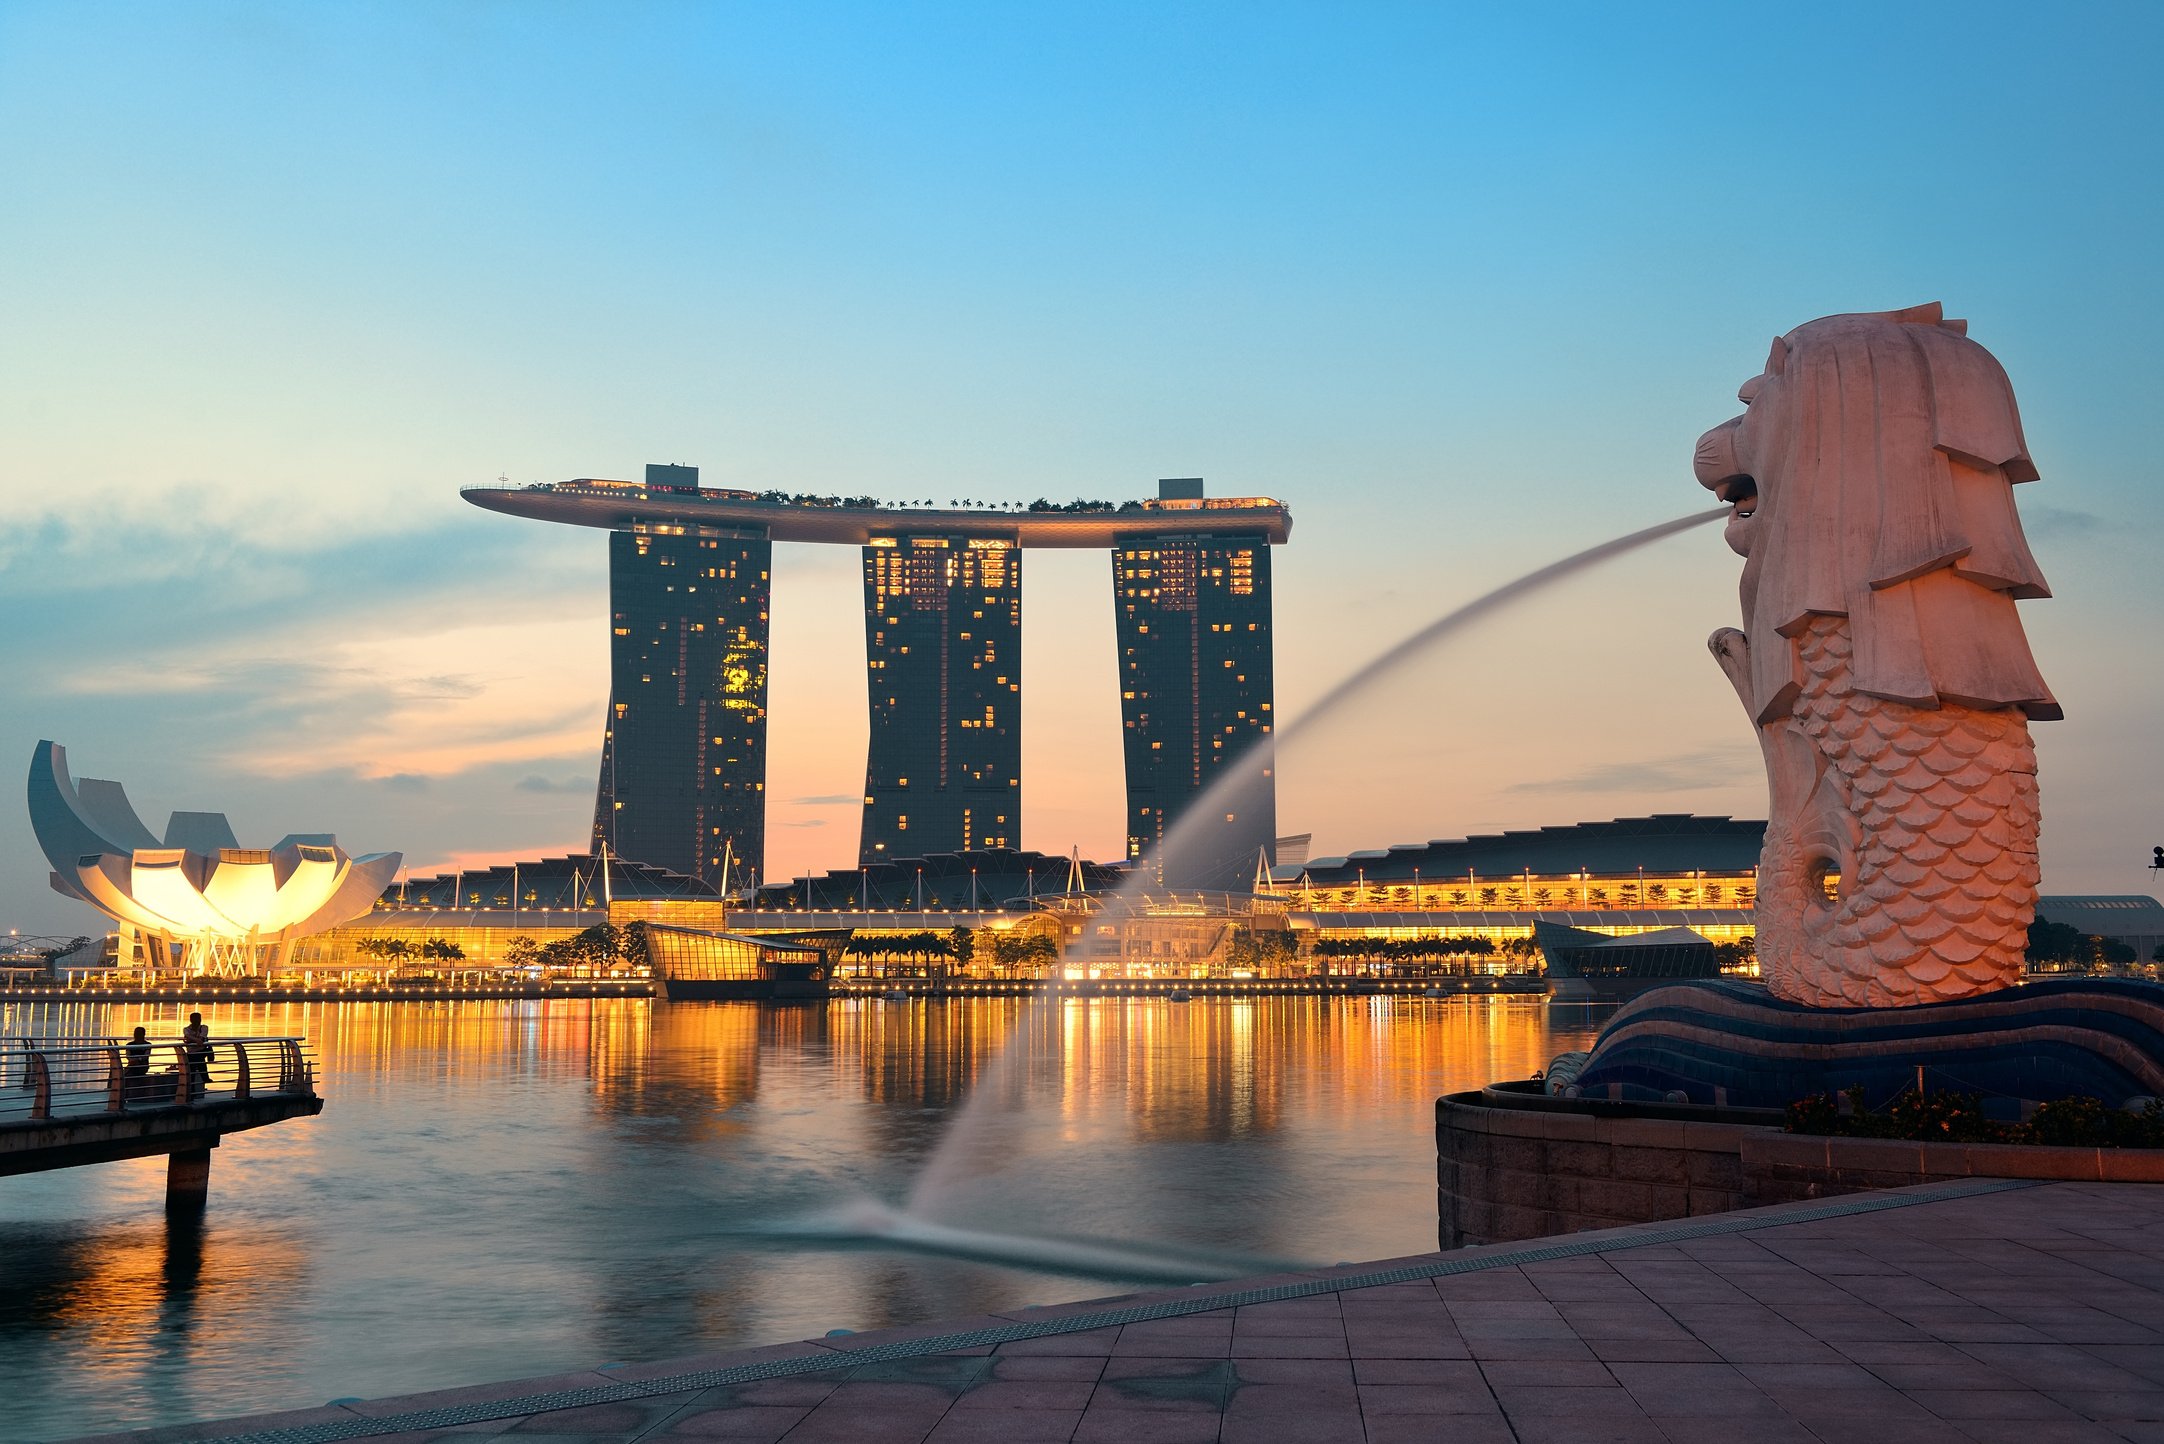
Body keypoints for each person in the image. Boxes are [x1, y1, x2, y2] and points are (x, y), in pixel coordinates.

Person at [180, 1012, 212, 1096]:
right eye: (196, 1019)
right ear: (191, 1020)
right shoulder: (186, 1029)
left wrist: (191, 1040)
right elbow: (199, 1040)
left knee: (193, 1068)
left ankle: (193, 1090)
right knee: (197, 1064)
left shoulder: (204, 1027)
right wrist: (196, 1040)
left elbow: (200, 1040)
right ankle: (205, 1076)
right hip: (194, 1053)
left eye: (199, 1019)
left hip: (198, 1052)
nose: (198, 1021)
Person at [122, 1026, 151, 1103]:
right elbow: (127, 1056)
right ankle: (124, 1095)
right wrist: (133, 1060)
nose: (136, 1035)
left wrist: (138, 1060)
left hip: (142, 1066)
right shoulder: (129, 1044)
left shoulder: (148, 1044)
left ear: (143, 1034)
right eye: (135, 1033)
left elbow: (146, 1056)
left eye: (138, 1033)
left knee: (126, 1073)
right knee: (127, 1073)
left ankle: (124, 1095)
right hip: (132, 1065)